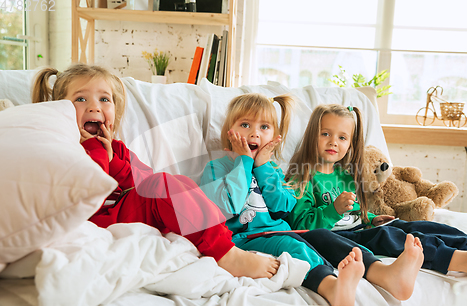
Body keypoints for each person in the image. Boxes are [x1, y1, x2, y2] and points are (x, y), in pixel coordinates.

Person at [31, 63, 282, 280]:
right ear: (60, 109)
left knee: (172, 182)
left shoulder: (118, 149)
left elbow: (143, 180)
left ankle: (220, 237)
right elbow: (86, 192)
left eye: (104, 99)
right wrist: (94, 149)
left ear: (115, 110)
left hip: (125, 210)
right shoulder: (66, 146)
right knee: (162, 186)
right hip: (99, 219)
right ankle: (226, 254)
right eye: (81, 99)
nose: (95, 107)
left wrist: (115, 160)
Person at [199, 92, 423, 306]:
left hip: (282, 231)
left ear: (274, 137)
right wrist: (244, 162)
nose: (255, 134)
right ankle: (331, 288)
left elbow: (283, 208)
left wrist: (262, 167)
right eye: (245, 125)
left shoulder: (272, 170)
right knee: (293, 245)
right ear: (230, 132)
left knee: (321, 239)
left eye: (264, 127)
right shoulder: (216, 168)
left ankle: (370, 276)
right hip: (244, 238)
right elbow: (228, 205)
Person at [285, 103, 467, 285]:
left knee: (409, 227)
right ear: (313, 134)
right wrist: (333, 210)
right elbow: (302, 227)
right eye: (326, 134)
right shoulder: (301, 177)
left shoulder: (345, 175)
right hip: (340, 236)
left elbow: (356, 213)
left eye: (342, 137)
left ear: (350, 144)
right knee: (389, 237)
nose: (333, 141)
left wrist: (371, 218)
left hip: (361, 226)